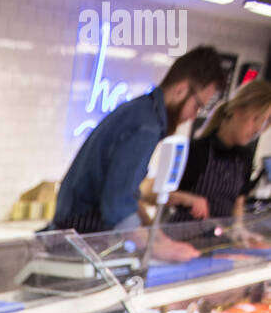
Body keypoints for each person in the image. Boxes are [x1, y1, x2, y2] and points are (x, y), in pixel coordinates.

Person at [53, 46, 227, 262]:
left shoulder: (142, 112)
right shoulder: (146, 127)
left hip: (80, 239)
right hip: (78, 242)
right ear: (181, 89)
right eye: (197, 106)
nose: (193, 117)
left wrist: (158, 237)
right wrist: (159, 249)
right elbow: (118, 206)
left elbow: (129, 195)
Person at [140, 78, 271, 246]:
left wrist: (239, 229)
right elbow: (147, 191)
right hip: (178, 243)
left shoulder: (245, 157)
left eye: (266, 123)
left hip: (217, 246)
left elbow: (238, 203)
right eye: (257, 119)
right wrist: (187, 199)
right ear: (238, 111)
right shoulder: (196, 151)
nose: (258, 129)